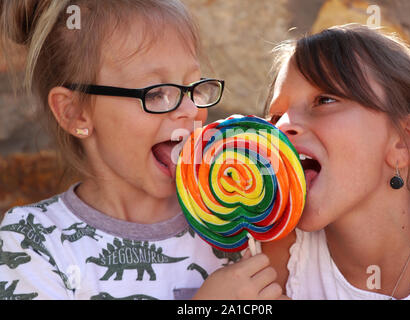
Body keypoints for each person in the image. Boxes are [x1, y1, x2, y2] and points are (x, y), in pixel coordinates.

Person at [0, 0, 281, 300]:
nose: (191, 108)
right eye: (157, 93)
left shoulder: (237, 219)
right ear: (75, 113)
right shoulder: (32, 241)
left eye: (194, 87)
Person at [263, 24, 410, 300]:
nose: (284, 126)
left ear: (405, 140)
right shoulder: (276, 259)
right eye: (277, 116)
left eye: (324, 100)